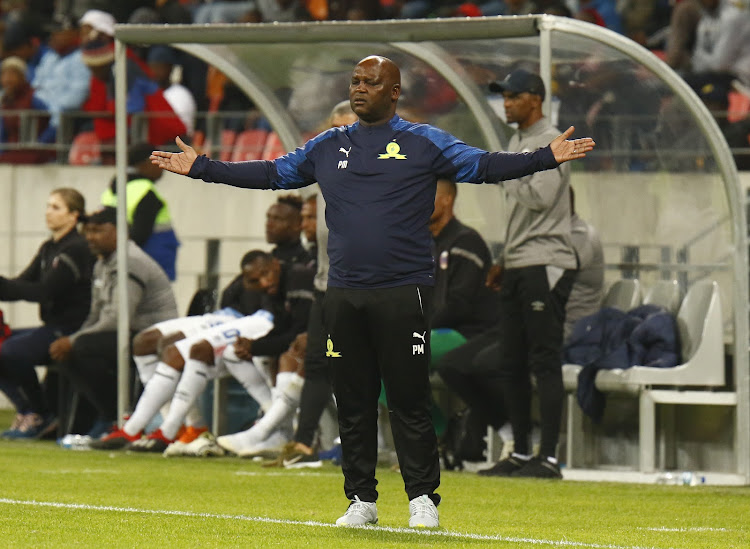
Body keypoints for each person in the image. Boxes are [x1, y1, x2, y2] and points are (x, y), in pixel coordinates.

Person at [150, 55, 594, 528]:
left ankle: (423, 498)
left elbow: (483, 165)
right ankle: (361, 499)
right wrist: (205, 168)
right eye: (356, 81)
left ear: (395, 91)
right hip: (343, 293)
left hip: (403, 292)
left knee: (409, 398)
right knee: (353, 399)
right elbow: (271, 173)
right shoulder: (328, 145)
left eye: (371, 82)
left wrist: (545, 156)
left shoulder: (424, 142)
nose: (360, 88)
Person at [90, 249, 312, 452]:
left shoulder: (298, 269)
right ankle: (181, 428)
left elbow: (294, 324)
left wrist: (257, 346)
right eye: (254, 280)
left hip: (257, 322)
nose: (263, 282)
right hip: (232, 318)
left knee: (186, 351)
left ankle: (160, 430)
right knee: (144, 343)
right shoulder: (264, 273)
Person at [477, 68, 578, 479]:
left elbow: (539, 197)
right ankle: (520, 451)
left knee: (544, 360)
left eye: (513, 96)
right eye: (504, 96)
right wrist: (504, 256)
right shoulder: (519, 142)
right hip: (521, 260)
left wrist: (506, 171)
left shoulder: (551, 141)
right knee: (512, 361)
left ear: (535, 99)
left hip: (546, 260)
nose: (506, 103)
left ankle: (549, 457)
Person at [49, 206, 178, 438]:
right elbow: (96, 315)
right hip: (128, 333)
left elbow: (118, 318)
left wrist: (75, 341)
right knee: (69, 350)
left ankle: (116, 416)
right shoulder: (102, 264)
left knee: (81, 349)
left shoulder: (131, 262)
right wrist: (72, 338)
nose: (90, 237)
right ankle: (100, 417)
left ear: (122, 232)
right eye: (87, 230)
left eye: (98, 230)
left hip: (153, 337)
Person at [0, 188, 93, 439]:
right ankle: (28, 411)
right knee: (2, 345)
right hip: (51, 326)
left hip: (73, 327)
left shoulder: (76, 248)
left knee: (11, 350)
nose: (48, 212)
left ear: (74, 215)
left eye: (56, 207)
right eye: (48, 206)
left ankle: (42, 413)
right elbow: (19, 284)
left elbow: (45, 292)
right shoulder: (48, 248)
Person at [100, 142, 180, 281]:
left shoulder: (114, 189)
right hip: (149, 266)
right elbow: (139, 236)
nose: (162, 168)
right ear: (146, 164)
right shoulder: (145, 192)